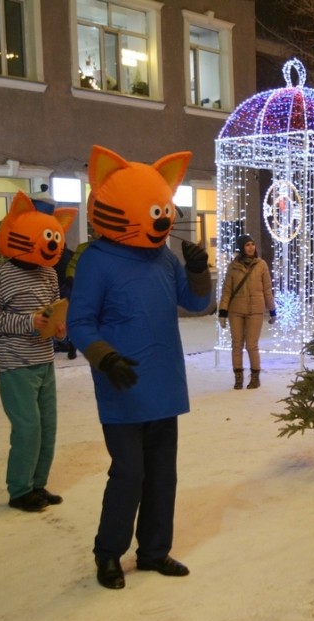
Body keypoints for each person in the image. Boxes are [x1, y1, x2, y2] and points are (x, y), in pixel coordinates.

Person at [68, 145, 210, 589]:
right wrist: (103, 356)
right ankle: (108, 552)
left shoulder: (164, 258)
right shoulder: (97, 259)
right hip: (123, 385)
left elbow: (197, 302)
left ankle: (153, 551)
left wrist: (199, 271)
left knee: (162, 476)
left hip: (164, 384)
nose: (162, 220)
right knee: (128, 473)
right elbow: (79, 322)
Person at [0, 192, 76, 511]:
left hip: (44, 360)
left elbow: (51, 310)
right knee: (27, 429)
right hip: (15, 364)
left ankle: (38, 484)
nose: (51, 243)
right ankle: (19, 490)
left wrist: (58, 325)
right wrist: (28, 322)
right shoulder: (1, 275)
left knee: (47, 427)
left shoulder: (49, 273)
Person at [218, 234, 276, 390]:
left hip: (255, 310)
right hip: (236, 311)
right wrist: (223, 312)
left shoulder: (261, 265)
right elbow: (227, 291)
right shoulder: (233, 266)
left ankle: (255, 378)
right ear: (241, 248)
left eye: (252, 244)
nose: (251, 247)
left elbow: (267, 290)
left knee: (252, 345)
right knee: (237, 344)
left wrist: (272, 310)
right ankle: (238, 378)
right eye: (247, 245)